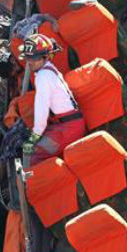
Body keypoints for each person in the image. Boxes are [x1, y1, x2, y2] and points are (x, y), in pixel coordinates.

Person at [19, 34, 86, 166]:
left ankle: (34, 185)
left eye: (34, 58)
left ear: (45, 57)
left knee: (31, 152)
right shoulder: (50, 70)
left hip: (68, 129)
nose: (30, 62)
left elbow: (41, 118)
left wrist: (32, 139)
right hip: (70, 125)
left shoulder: (43, 77)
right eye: (28, 58)